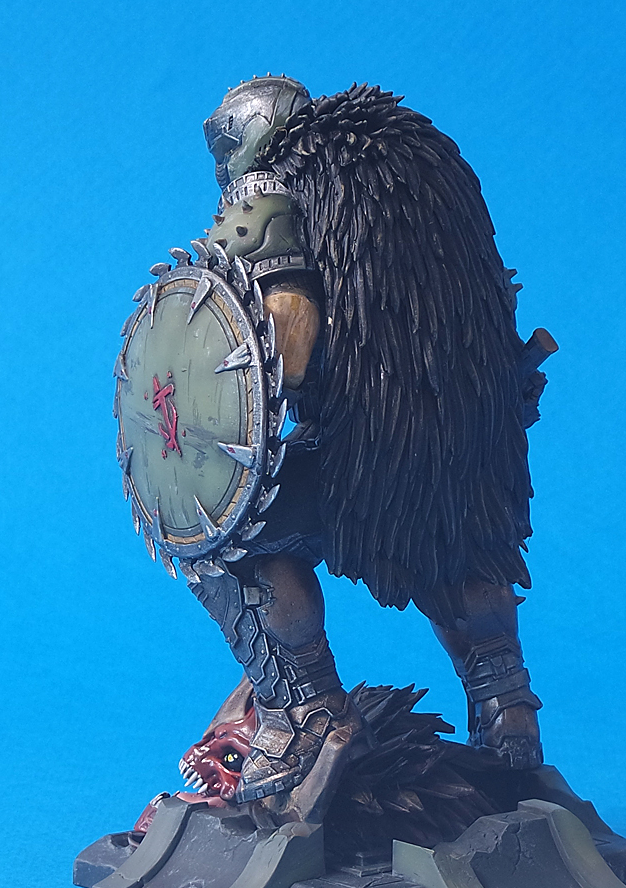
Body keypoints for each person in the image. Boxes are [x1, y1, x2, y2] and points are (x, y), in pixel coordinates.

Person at [188, 76, 547, 805]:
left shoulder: (270, 190)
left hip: (365, 460)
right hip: (472, 450)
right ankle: (505, 703)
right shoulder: (417, 174)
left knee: (224, 535)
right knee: (459, 536)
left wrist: (213, 406)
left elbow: (287, 338)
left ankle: (305, 710)